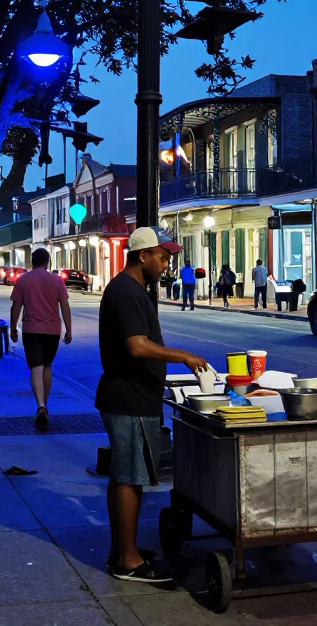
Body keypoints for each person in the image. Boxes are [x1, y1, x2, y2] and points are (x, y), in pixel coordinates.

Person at [97, 227, 207, 584]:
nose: (167, 265)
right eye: (163, 257)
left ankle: (122, 549)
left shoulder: (131, 290)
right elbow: (137, 346)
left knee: (126, 477)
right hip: (128, 397)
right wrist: (184, 357)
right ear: (142, 255)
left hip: (131, 396)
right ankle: (127, 561)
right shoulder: (128, 293)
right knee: (130, 478)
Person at [9, 248, 72, 432]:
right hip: (52, 330)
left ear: (32, 262)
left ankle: (40, 406)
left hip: (31, 329)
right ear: (47, 262)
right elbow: (65, 306)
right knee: (46, 366)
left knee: (35, 368)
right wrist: (69, 329)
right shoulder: (56, 280)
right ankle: (45, 404)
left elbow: (16, 306)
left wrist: (12, 327)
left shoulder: (23, 280)